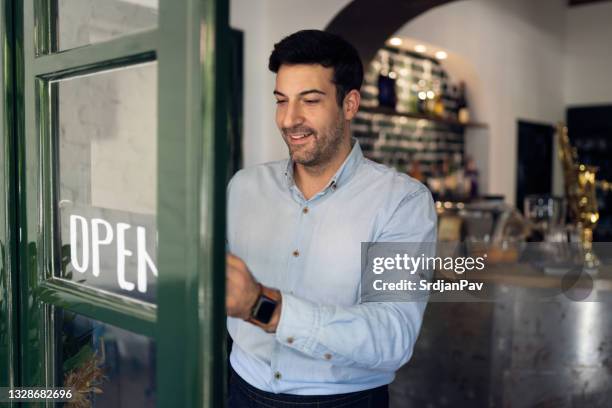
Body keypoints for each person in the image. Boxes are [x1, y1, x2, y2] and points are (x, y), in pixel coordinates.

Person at [225, 29, 437, 408]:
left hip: (343, 401)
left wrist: (264, 306)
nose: (290, 119)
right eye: (281, 100)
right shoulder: (243, 187)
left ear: (350, 103)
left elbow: (393, 336)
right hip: (239, 389)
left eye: (309, 101)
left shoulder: (402, 201)